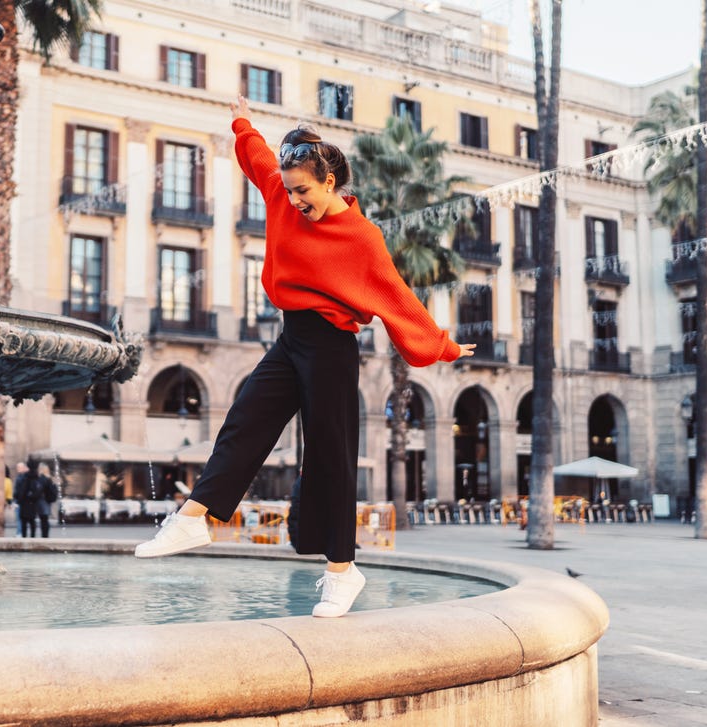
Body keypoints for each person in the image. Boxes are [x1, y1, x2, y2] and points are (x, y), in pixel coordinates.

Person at [135, 95, 475, 618]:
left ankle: (342, 571)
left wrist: (444, 344)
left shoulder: (362, 238)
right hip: (291, 337)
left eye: (304, 192)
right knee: (246, 418)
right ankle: (193, 517)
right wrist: (242, 121)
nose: (294, 200)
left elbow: (397, 297)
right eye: (290, 190)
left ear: (331, 183)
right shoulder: (279, 191)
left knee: (330, 456)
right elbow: (256, 157)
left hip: (333, 348)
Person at [13, 460, 41, 538]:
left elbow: (21, 491)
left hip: (25, 503)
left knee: (24, 521)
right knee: (32, 521)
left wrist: (18, 500)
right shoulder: (36, 477)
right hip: (33, 503)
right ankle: (32, 537)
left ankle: (24, 537)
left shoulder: (25, 478)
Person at [35, 462, 58, 538]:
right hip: (48, 501)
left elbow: (39, 490)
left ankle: (44, 536)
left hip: (42, 501)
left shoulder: (42, 478)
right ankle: (45, 535)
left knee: (43, 519)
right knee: (45, 519)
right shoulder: (49, 478)